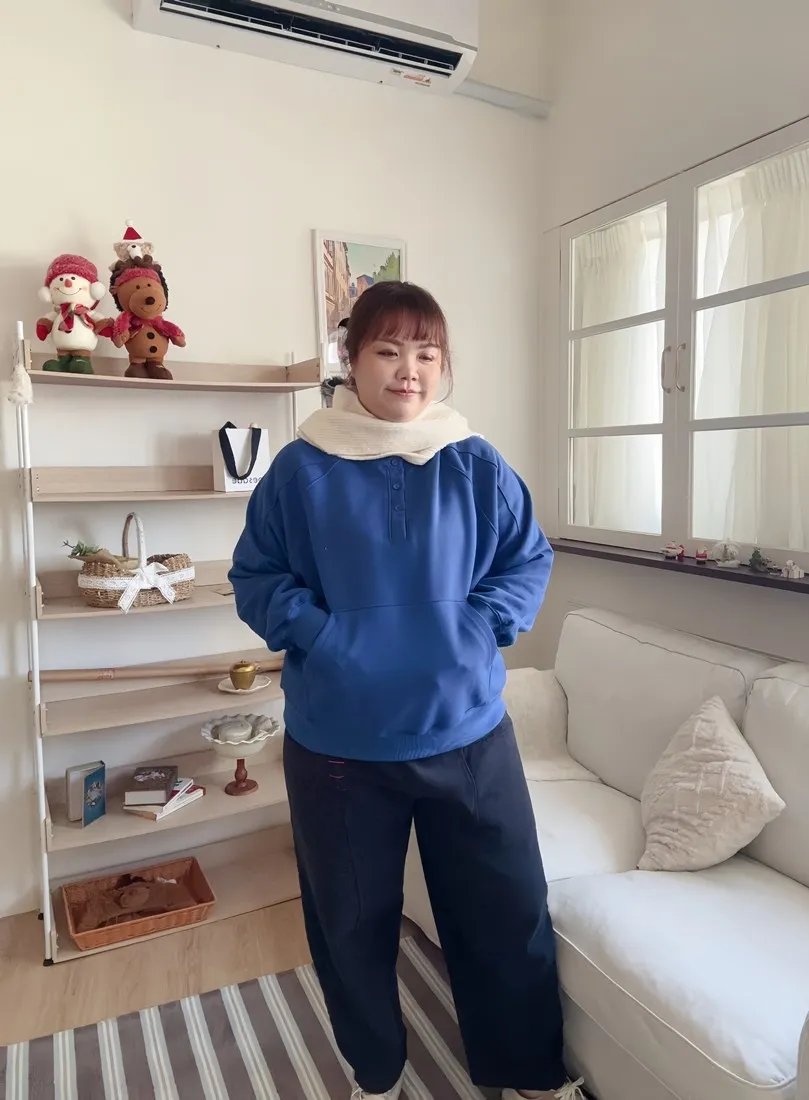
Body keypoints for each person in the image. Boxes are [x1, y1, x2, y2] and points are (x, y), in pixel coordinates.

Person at [230, 282, 584, 1100]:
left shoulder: (475, 461)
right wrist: (329, 639)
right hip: (339, 748)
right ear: (351, 360)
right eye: (388, 350)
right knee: (351, 925)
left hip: (469, 735)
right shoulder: (301, 468)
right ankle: (377, 1076)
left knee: (507, 910)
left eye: (427, 353)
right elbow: (257, 577)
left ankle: (528, 1074)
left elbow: (526, 559)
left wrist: (476, 628)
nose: (409, 370)